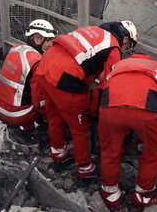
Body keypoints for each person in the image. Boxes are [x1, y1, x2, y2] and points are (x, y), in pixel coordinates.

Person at [33, 21, 138, 180]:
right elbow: (107, 84)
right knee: (80, 127)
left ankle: (58, 153)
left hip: (44, 69)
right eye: (128, 47)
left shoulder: (92, 30)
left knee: (54, 116)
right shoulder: (113, 49)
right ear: (125, 39)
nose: (125, 50)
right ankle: (85, 168)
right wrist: (95, 110)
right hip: (67, 82)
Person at [98, 52, 157, 212]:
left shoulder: (116, 66)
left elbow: (101, 89)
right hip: (146, 111)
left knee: (110, 151)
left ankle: (111, 198)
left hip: (111, 107)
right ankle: (143, 196)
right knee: (154, 152)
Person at [0, 19, 57, 148]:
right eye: (49, 40)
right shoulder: (36, 61)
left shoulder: (15, 49)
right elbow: (39, 99)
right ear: (37, 40)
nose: (51, 44)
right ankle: (27, 129)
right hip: (16, 115)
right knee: (51, 104)